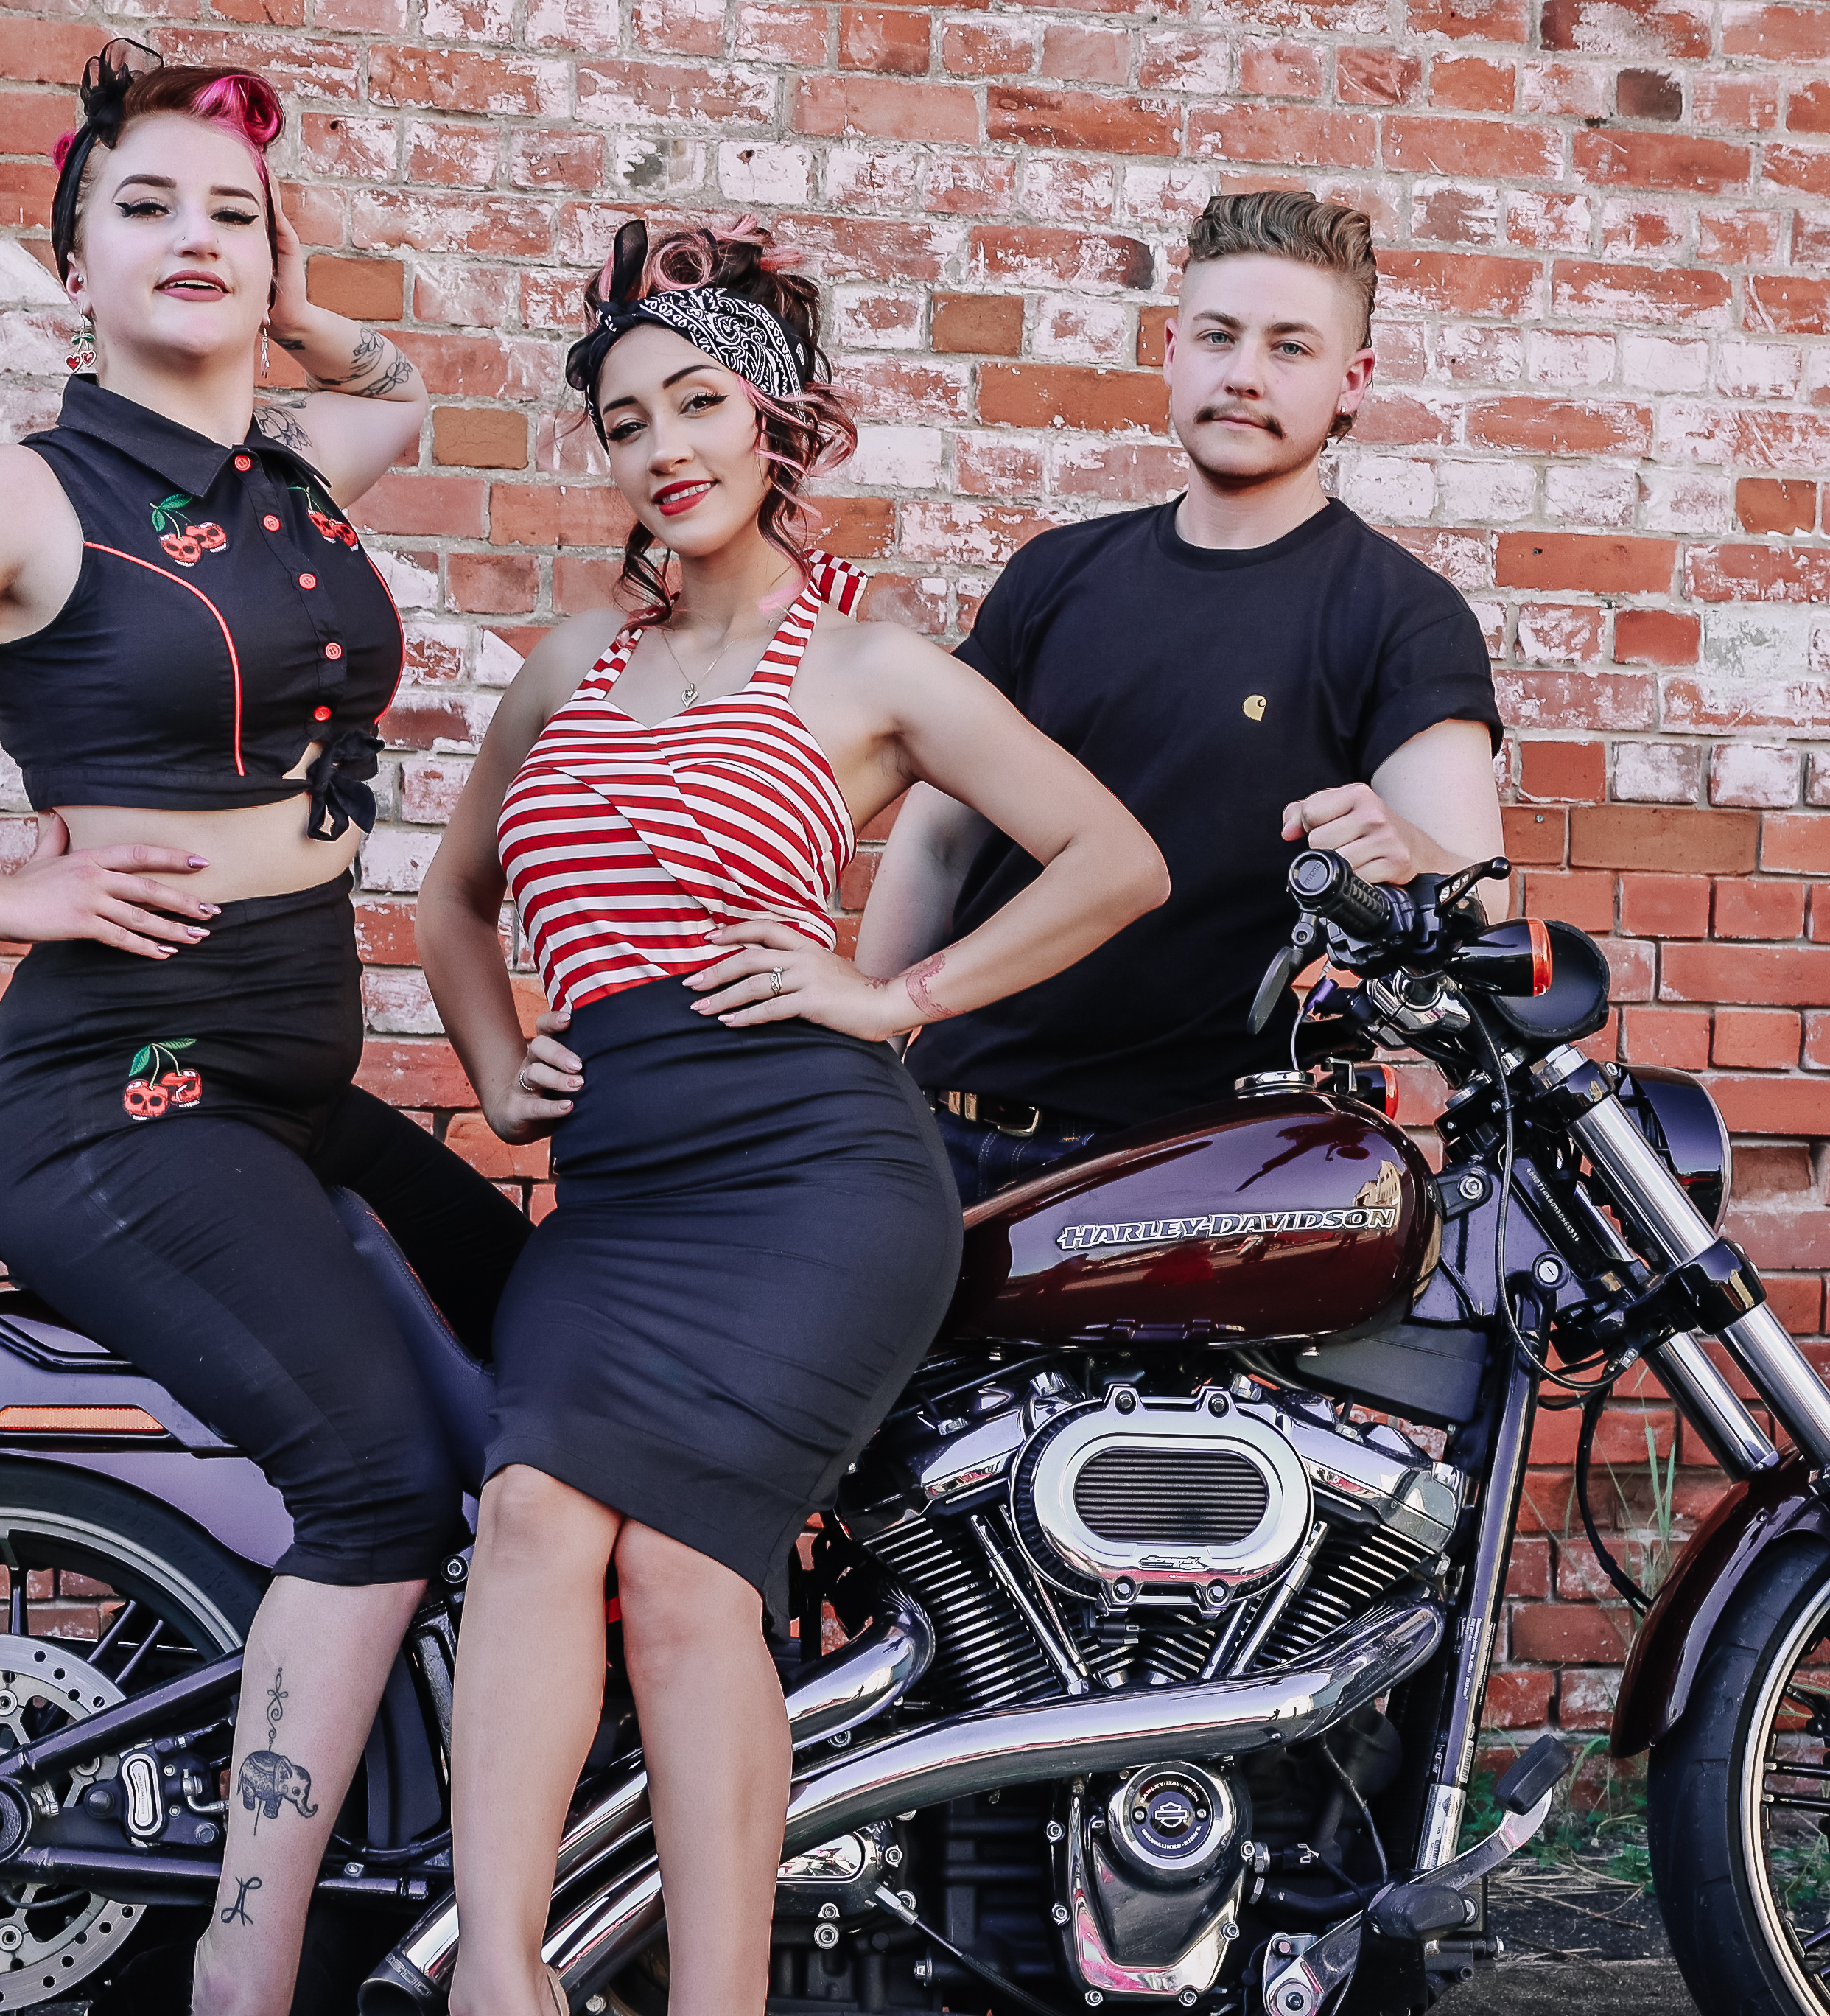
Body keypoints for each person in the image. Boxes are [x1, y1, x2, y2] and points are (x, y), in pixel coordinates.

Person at [0, 46, 527, 2016]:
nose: (195, 240)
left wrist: (300, 300)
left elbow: (394, 392)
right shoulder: (28, 497)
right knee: (383, 1479)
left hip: (287, 1082)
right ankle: (249, 1970)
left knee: (554, 1363)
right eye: (146, 206)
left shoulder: (289, 487)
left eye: (231, 210)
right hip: (116, 1102)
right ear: (74, 264)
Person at [418, 217, 1165, 2016]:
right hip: (617, 1187)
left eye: (699, 403)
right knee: (530, 1519)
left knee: (688, 1572)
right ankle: (499, 1982)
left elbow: (1115, 858)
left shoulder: (873, 669)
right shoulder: (564, 667)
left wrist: (894, 996)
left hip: (813, 1174)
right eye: (623, 420)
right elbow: (452, 900)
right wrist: (493, 1063)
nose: (662, 445)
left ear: (776, 431)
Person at [858, 190, 1511, 1203]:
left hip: (1192, 1175)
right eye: (1219, 336)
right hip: (948, 1138)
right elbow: (939, 842)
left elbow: (1478, 893)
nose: (1244, 374)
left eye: (1291, 347)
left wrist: (1409, 857)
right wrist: (862, 1062)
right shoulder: (1053, 577)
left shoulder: (1400, 616)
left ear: (1354, 383)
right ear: (1172, 352)